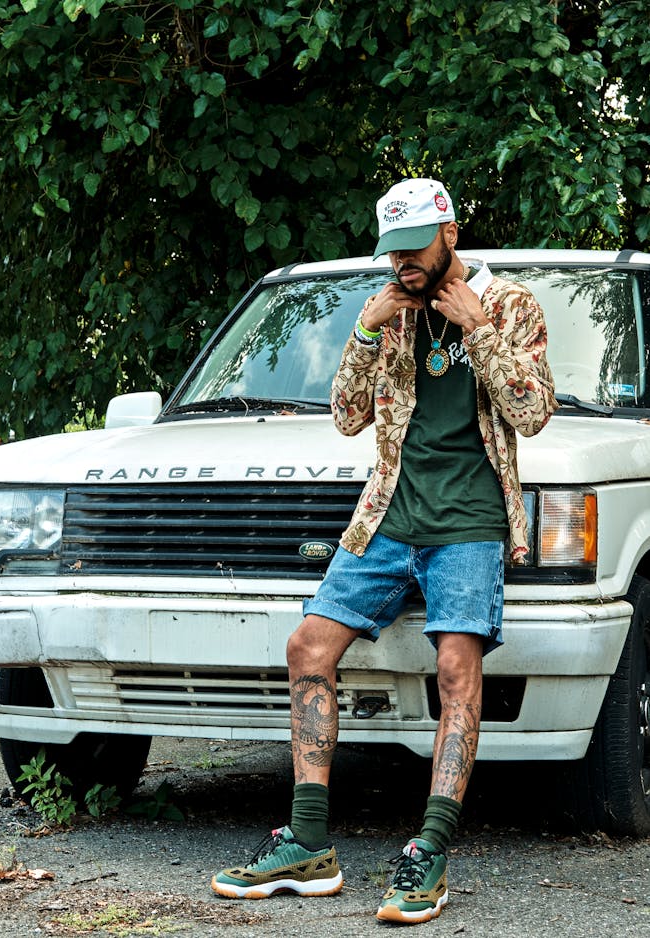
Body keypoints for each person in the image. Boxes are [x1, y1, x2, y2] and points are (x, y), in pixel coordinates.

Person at [211, 177, 557, 924]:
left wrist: (478, 330)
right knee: (308, 646)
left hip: (469, 523)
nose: (401, 266)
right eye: (392, 253)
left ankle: (428, 852)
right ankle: (306, 843)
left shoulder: (511, 304)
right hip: (386, 520)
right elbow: (345, 419)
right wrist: (365, 332)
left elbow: (533, 412)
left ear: (451, 236)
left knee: (456, 669)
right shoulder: (390, 313)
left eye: (414, 251)